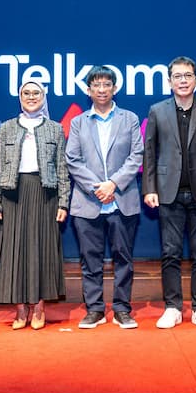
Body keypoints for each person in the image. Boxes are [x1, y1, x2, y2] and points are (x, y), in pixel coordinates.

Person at [143, 55, 196, 331]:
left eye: (188, 76)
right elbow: (149, 152)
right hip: (168, 194)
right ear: (169, 82)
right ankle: (173, 308)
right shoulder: (157, 110)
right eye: (177, 76)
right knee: (170, 253)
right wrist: (149, 188)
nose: (183, 81)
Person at [66, 66, 144, 330]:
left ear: (114, 88)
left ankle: (122, 309)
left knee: (124, 259)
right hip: (88, 202)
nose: (101, 89)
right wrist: (96, 187)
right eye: (96, 85)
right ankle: (95, 309)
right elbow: (72, 160)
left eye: (106, 84)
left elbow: (136, 155)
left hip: (122, 200)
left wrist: (113, 184)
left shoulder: (129, 118)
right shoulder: (78, 122)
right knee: (90, 260)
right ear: (88, 90)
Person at [0, 81, 69, 330]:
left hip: (45, 195)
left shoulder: (55, 128)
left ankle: (40, 307)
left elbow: (62, 168)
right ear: (19, 97)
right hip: (13, 194)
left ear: (43, 97)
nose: (31, 97)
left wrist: (64, 202)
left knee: (42, 250)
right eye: (26, 93)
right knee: (14, 251)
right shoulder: (6, 128)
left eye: (36, 93)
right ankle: (20, 309)